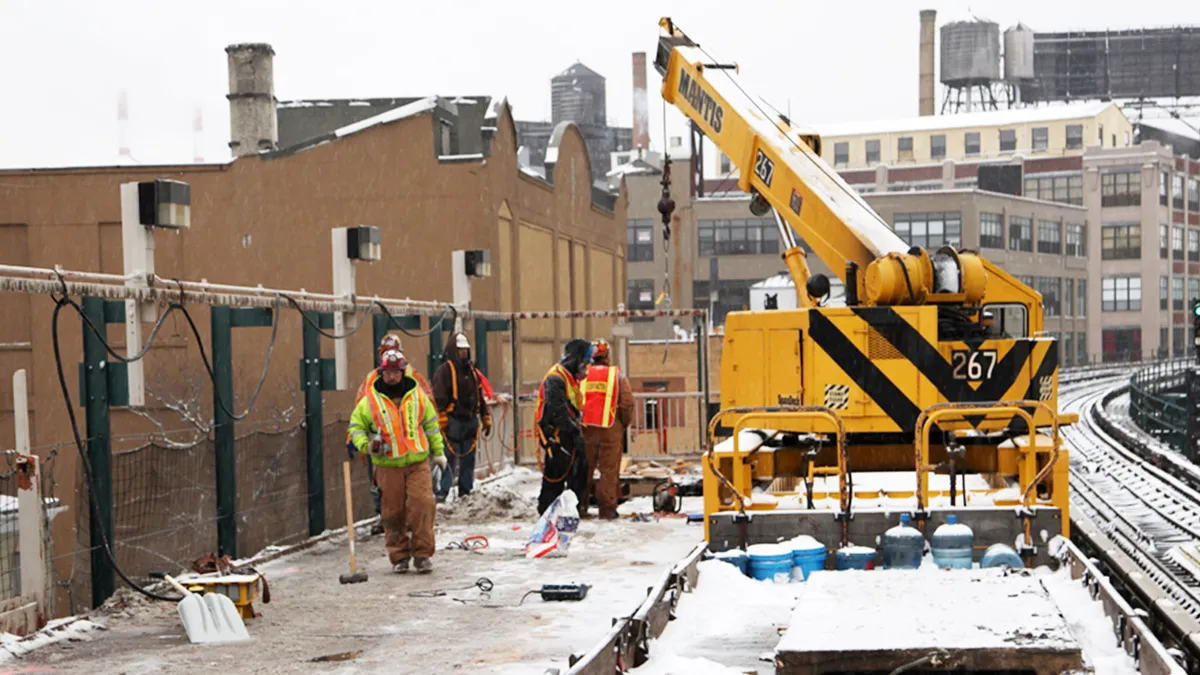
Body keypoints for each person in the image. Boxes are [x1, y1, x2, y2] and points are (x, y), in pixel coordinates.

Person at [347, 348, 447, 574]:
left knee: (422, 505)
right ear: (382, 373)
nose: (391, 377)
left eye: (395, 372)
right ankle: (399, 556)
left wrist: (438, 452)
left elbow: (431, 425)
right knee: (392, 513)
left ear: (403, 372)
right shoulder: (369, 401)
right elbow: (356, 427)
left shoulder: (418, 396)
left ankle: (422, 554)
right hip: (387, 465)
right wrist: (366, 445)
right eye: (387, 373)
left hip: (417, 462)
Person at [534, 338, 594, 515]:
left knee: (579, 473)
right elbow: (557, 411)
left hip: (569, 434)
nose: (587, 369)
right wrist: (573, 430)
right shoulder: (556, 379)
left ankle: (572, 511)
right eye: (585, 364)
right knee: (555, 478)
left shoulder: (570, 378)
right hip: (557, 436)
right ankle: (547, 513)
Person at [432, 332, 492, 502]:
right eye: (461, 351)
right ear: (454, 352)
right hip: (453, 421)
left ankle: (465, 491)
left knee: (468, 459)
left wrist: (485, 416)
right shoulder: (444, 372)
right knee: (448, 458)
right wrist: (442, 417)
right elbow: (438, 395)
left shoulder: (472, 372)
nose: (464, 354)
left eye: (466, 351)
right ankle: (443, 492)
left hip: (470, 421)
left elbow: (479, 395)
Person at [580, 339, 635, 520]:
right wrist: (623, 425)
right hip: (610, 428)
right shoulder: (616, 376)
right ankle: (607, 509)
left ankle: (580, 506)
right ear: (607, 356)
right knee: (608, 472)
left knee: (583, 469)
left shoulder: (581, 375)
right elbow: (627, 403)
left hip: (585, 429)